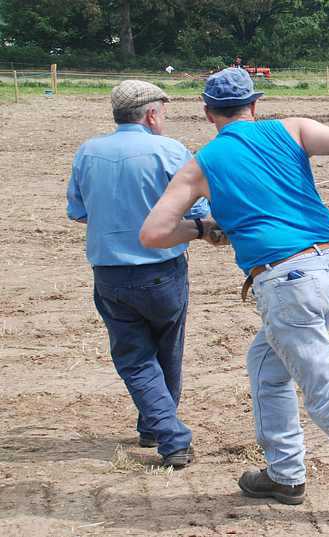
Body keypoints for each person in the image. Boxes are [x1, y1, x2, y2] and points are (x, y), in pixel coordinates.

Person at [139, 68, 329, 523]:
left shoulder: (202, 163)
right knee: (265, 364)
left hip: (287, 283)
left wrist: (203, 228)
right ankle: (284, 474)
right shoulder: (290, 128)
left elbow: (153, 232)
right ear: (254, 106)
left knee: (325, 395)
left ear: (208, 112)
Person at [67, 80, 216, 468]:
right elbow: (199, 213)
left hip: (110, 274)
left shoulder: (88, 151)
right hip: (163, 270)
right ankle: (169, 436)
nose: (163, 118)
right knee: (167, 349)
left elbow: (78, 211)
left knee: (134, 358)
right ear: (151, 114)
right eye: (163, 112)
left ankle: (156, 426)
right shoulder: (170, 151)